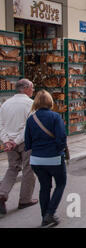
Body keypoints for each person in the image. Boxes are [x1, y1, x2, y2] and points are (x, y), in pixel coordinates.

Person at [24, 90, 67, 228]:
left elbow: (27, 141)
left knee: (44, 187)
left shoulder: (31, 119)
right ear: (50, 102)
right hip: (54, 158)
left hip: (36, 159)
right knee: (60, 184)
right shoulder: (55, 117)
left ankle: (44, 217)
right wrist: (59, 151)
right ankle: (50, 213)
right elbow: (61, 138)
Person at [0, 79, 37, 218]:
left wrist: (7, 141)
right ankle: (25, 199)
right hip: (24, 141)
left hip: (9, 141)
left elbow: (1, 125)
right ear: (26, 88)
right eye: (32, 87)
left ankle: (2, 194)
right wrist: (15, 141)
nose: (33, 90)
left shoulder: (6, 104)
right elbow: (29, 128)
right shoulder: (30, 104)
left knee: (12, 168)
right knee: (28, 168)